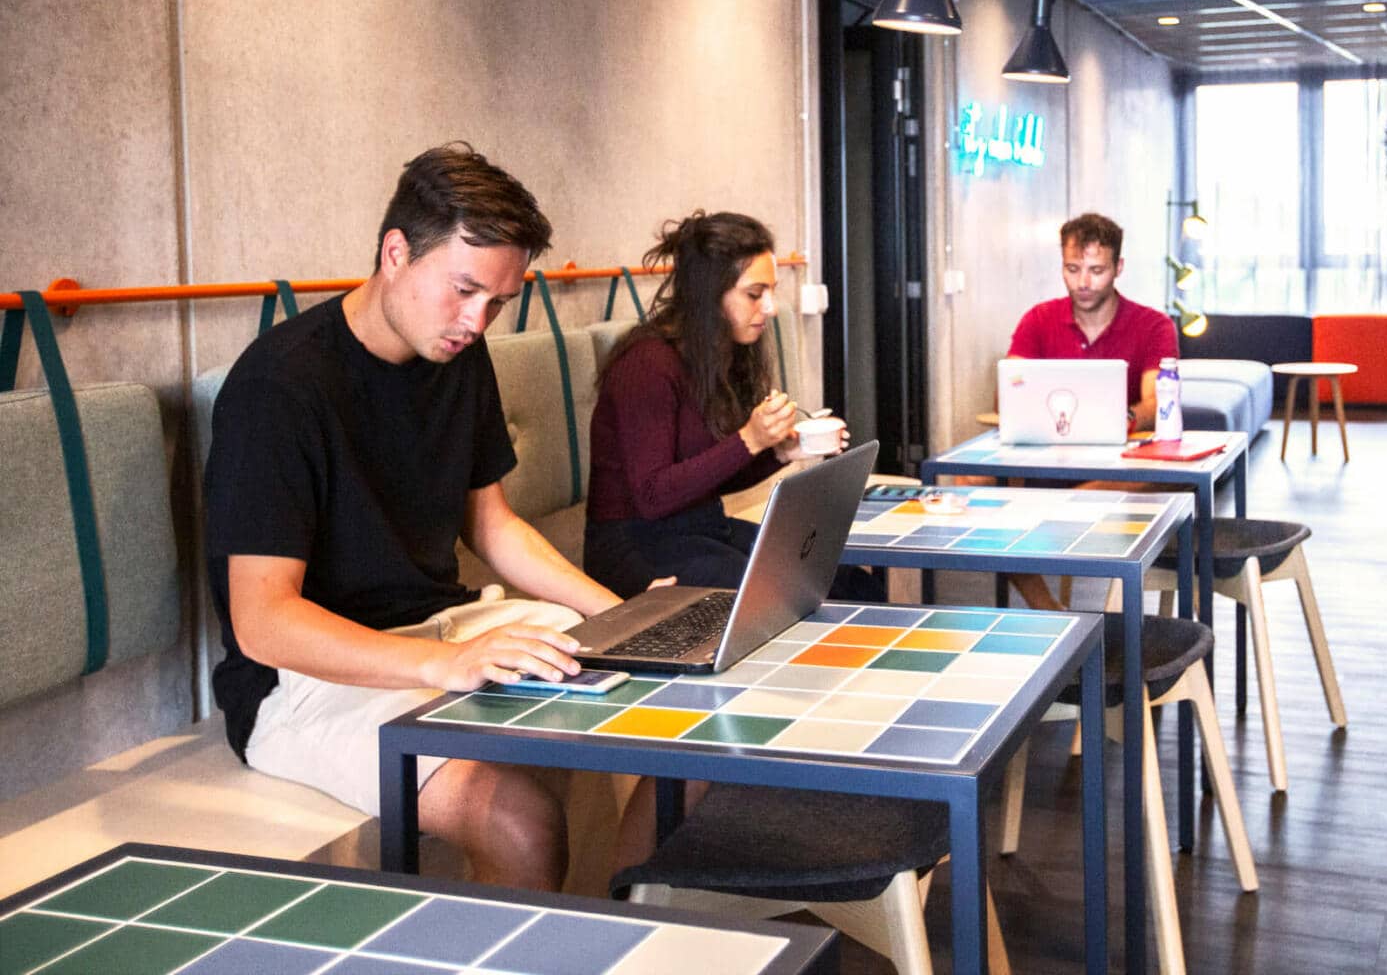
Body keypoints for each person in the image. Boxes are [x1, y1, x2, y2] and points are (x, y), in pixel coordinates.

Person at [204, 143, 662, 892]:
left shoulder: (457, 354)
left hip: (441, 630)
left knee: (670, 692)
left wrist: (623, 616)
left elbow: (492, 526)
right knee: (518, 819)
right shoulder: (280, 389)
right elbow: (263, 621)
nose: (477, 321)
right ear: (395, 252)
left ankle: (623, 918)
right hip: (307, 681)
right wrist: (442, 666)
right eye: (463, 290)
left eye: (499, 302)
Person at [585, 211, 883, 601]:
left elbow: (710, 478)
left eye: (770, 292)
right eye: (754, 294)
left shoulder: (715, 357)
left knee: (851, 583)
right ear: (709, 293)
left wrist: (777, 451)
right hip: (636, 546)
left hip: (700, 529)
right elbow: (654, 495)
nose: (771, 308)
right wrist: (748, 439)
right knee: (788, 594)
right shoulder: (647, 364)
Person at [1001, 211, 1178, 609]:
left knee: (1158, 480)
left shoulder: (1154, 326)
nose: (1083, 282)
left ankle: (1050, 520)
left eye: (1096, 270)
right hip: (1051, 461)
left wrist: (1129, 417)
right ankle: (1048, 610)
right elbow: (1010, 389)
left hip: (1124, 467)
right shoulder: (1039, 319)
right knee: (971, 489)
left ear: (1118, 268)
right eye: (1073, 268)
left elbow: (1156, 403)